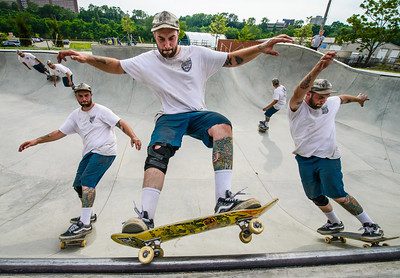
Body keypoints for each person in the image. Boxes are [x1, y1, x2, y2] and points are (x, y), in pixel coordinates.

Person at [57, 11, 294, 233]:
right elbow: (117, 66)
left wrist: (261, 47)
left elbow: (232, 60)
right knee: (158, 152)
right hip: (170, 117)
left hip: (198, 113)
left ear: (178, 34)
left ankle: (223, 199)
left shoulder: (198, 54)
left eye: (171, 38)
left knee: (223, 125)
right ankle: (145, 217)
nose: (167, 45)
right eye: (161, 39)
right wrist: (87, 58)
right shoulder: (147, 60)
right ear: (154, 37)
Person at [18, 83, 142, 239]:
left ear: (91, 95)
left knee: (87, 182)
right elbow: (59, 133)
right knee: (78, 185)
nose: (84, 99)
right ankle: (88, 215)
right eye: (80, 96)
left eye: (86, 95)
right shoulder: (75, 115)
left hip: (105, 151)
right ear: (76, 97)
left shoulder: (101, 111)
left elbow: (120, 123)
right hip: (89, 153)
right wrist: (36, 140)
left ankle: (84, 224)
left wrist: (134, 136)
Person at [288, 51, 384, 239]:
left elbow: (343, 98)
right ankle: (334, 222)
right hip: (304, 158)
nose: (323, 100)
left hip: (328, 157)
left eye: (326, 96)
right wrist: (319, 67)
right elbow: (298, 91)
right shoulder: (297, 107)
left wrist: (358, 99)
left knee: (336, 193)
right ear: (309, 94)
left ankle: (370, 224)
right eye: (319, 97)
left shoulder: (330, 102)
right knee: (314, 196)